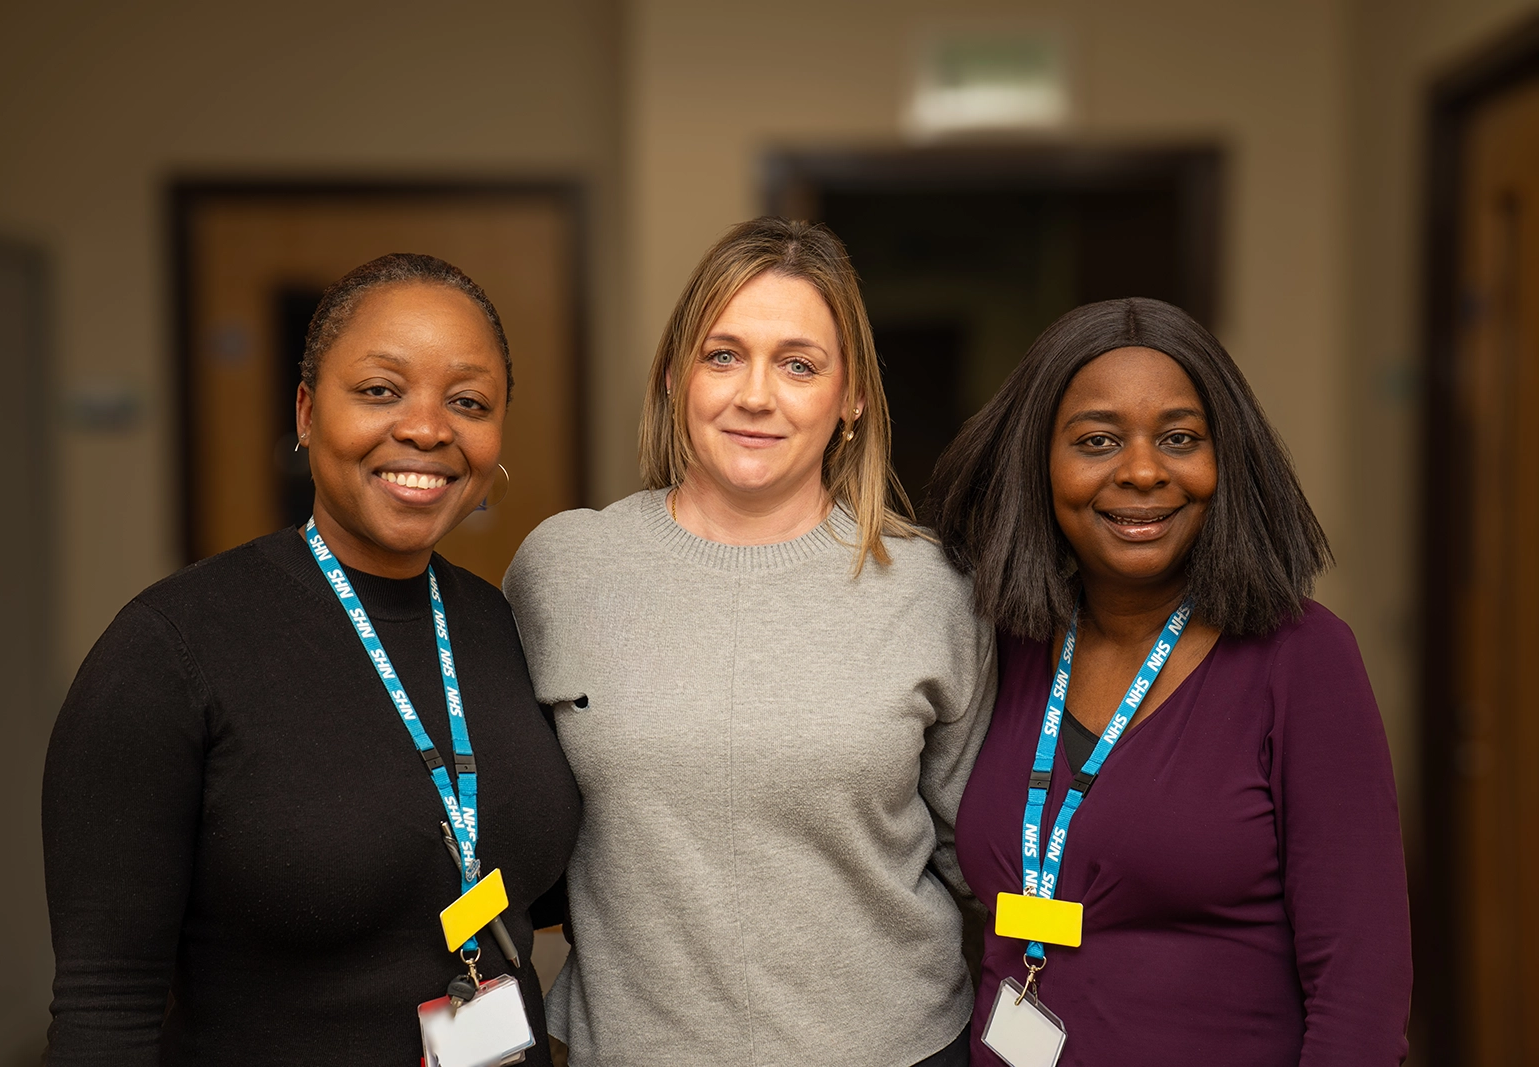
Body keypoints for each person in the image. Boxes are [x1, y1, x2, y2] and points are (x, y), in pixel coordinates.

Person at [42, 253, 581, 1066]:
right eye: (380, 391)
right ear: (304, 410)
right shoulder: (171, 649)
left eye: (467, 401)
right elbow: (103, 1007)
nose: (428, 429)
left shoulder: (502, 624)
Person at [502, 217, 996, 1067]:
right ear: (672, 375)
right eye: (722, 354)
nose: (756, 394)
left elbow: (977, 860)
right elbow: (514, 826)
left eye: (798, 364)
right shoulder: (562, 569)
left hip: (896, 1049)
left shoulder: (935, 591)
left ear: (852, 399)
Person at [928, 297, 1411, 1066]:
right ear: (1039, 463)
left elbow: (1361, 990)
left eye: (1180, 438)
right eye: (1097, 440)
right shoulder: (1000, 644)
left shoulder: (1303, 658)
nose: (1144, 470)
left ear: (1228, 461)